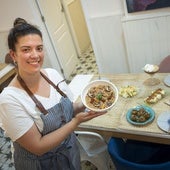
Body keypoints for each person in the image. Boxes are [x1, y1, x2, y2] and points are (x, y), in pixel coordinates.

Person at [0, 18, 106, 170]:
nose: (35, 55)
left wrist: (88, 102)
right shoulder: (9, 99)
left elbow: (68, 109)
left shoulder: (52, 74)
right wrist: (75, 123)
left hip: (68, 151)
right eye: (26, 49)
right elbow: (38, 146)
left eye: (39, 48)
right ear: (13, 55)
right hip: (40, 164)